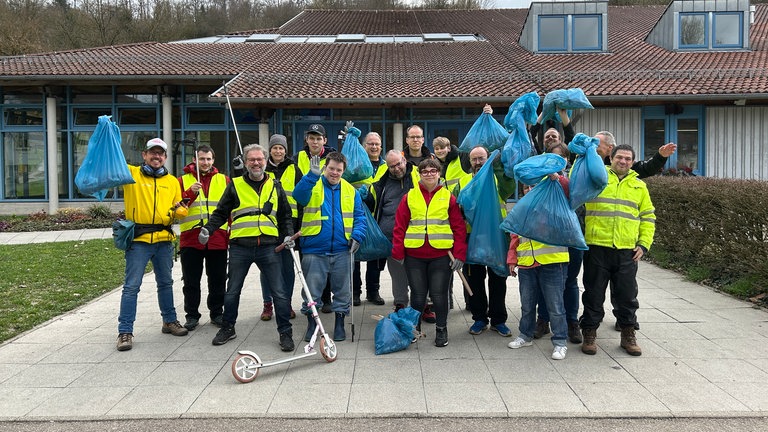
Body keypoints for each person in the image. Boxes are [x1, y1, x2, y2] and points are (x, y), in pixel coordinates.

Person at [199, 144, 295, 351]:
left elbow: (285, 214)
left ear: (265, 160)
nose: (256, 163)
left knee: (279, 292)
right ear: (245, 161)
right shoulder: (235, 185)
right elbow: (220, 212)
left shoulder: (275, 185)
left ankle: (285, 332)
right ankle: (228, 327)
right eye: (251, 159)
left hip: (269, 246)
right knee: (232, 291)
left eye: (260, 159)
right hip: (240, 247)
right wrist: (209, 229)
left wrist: (287, 235)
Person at [580, 144, 656, 357]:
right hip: (597, 247)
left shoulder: (639, 186)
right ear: (611, 158)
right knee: (593, 294)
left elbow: (648, 217)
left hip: (626, 251)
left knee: (627, 296)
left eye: (628, 159)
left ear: (632, 163)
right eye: (619, 158)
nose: (623, 162)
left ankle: (628, 334)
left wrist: (643, 245)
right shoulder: (597, 178)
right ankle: (589, 333)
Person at [116, 138, 188, 352]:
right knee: (131, 287)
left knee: (165, 283)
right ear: (144, 155)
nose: (157, 157)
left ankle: (169, 321)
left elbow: (179, 206)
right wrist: (109, 133)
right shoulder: (131, 174)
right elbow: (113, 160)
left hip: (164, 241)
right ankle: (125, 331)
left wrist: (179, 210)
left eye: (161, 153)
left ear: (165, 157)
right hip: (139, 241)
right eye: (152, 153)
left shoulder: (173, 181)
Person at [392, 158, 467, 347]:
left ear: (439, 173)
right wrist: (398, 252)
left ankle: (441, 330)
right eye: (424, 171)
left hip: (441, 256)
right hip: (414, 256)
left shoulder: (448, 197)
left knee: (439, 295)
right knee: (417, 296)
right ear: (419, 174)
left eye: (433, 170)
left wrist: (459, 254)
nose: (429, 174)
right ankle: (414, 330)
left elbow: (458, 227)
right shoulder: (409, 197)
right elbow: (400, 226)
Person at [292, 151, 367, 342]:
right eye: (331, 168)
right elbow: (298, 196)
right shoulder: (313, 184)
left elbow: (360, 217)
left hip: (343, 249)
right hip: (314, 248)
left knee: (343, 291)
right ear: (325, 167)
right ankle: (312, 324)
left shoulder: (351, 191)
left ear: (343, 171)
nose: (335, 173)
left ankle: (340, 323)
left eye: (339, 170)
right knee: (312, 291)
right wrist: (311, 176)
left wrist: (357, 236)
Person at [507, 177, 571, 360]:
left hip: (552, 262)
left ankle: (560, 342)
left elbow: (568, 188)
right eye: (526, 187)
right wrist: (512, 259)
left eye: (533, 187)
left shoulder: (556, 205)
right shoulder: (521, 210)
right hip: (527, 263)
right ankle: (525, 335)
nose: (529, 190)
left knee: (555, 306)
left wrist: (556, 178)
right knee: (527, 305)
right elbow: (514, 238)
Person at [454, 145, 514, 337]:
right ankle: (479, 318)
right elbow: (455, 209)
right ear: (469, 162)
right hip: (472, 239)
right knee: (475, 281)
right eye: (475, 159)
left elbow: (510, 187)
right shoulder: (463, 182)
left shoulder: (499, 180)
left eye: (482, 158)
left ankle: (499, 320)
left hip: (496, 238)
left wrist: (497, 166)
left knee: (498, 280)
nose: (478, 162)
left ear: (488, 159)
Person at [177, 145, 229, 331]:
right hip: (191, 239)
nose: (205, 162)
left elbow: (230, 209)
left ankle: (217, 312)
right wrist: (190, 193)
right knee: (191, 281)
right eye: (201, 159)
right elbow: (176, 211)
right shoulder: (182, 181)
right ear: (194, 159)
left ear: (213, 160)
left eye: (208, 159)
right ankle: (192, 315)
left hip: (217, 238)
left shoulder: (224, 180)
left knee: (217, 279)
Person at [364, 150, 418, 311]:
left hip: (416, 236)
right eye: (392, 166)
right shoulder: (382, 183)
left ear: (404, 159)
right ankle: (400, 304)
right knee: (397, 275)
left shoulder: (418, 175)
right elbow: (372, 206)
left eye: (399, 163)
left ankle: (422, 307)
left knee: (418, 274)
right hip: (391, 238)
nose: (397, 168)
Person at [293, 124, 339, 313]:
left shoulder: (332, 158)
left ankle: (327, 298)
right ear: (307, 140)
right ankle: (312, 300)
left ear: (324, 141)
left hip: (329, 210)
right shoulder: (297, 158)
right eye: (312, 138)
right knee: (309, 263)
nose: (315, 141)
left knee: (328, 259)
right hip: (307, 211)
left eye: (318, 138)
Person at [262, 133, 301, 321]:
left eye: (281, 148)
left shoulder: (294, 169)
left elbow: (302, 196)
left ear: (286, 150)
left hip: (288, 225)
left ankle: (285, 303)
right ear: (270, 150)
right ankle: (268, 304)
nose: (278, 151)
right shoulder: (261, 167)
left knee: (287, 267)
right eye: (275, 147)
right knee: (267, 266)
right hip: (266, 224)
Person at [352, 132, 388, 307]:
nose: (374, 147)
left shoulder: (386, 166)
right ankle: (355, 292)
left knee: (376, 256)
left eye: (377, 144)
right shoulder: (356, 164)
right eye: (370, 144)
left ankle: (373, 291)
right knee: (356, 256)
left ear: (381, 146)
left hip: (378, 217)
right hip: (357, 217)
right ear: (364, 146)